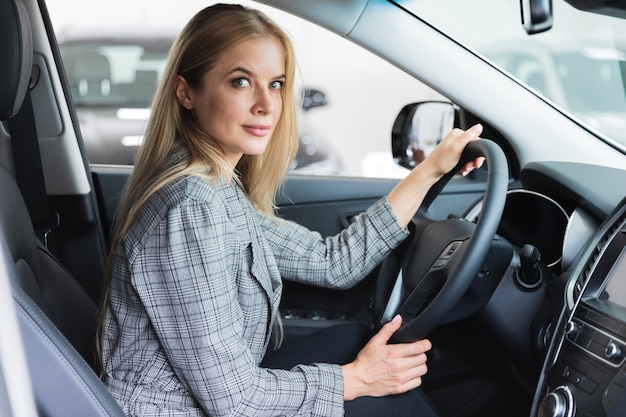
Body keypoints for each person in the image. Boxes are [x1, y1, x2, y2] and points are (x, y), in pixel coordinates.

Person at [98, 3, 485, 417]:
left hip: (219, 395)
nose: (267, 104)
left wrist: (429, 170)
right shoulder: (190, 210)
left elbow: (332, 261)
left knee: (361, 344)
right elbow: (235, 400)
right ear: (186, 91)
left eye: (277, 83)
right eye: (241, 81)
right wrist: (356, 380)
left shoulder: (217, 189)